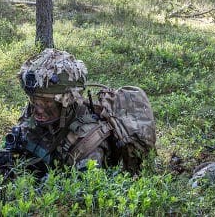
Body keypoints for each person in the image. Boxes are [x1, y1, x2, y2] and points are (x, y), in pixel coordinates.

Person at [12, 49, 151, 174]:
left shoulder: (89, 141)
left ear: (66, 101)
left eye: (48, 103)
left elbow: (84, 194)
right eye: (34, 101)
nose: (39, 110)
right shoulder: (37, 113)